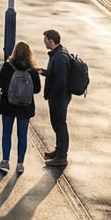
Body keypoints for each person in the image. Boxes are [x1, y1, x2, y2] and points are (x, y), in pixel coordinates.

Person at [0, 40, 43, 174]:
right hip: (25, 108)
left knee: (6, 133)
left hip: (8, 106)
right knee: (22, 135)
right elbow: (37, 89)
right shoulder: (32, 69)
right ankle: (20, 164)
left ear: (14, 52)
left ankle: (5, 161)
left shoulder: (8, 66)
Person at [41, 29, 72, 167]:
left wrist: (51, 95)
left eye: (45, 40)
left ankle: (61, 156)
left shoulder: (59, 58)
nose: (44, 42)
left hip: (59, 98)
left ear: (51, 41)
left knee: (60, 125)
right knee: (58, 125)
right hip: (59, 97)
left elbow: (61, 81)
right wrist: (43, 72)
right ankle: (58, 151)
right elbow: (55, 75)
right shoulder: (59, 54)